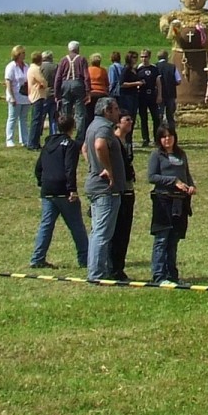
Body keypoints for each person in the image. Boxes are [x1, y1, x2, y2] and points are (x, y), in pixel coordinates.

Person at [30, 114, 88, 269]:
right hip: (63, 189)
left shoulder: (48, 143)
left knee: (46, 225)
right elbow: (70, 168)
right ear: (72, 127)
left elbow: (38, 167)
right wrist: (72, 190)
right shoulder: (70, 145)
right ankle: (85, 258)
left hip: (47, 189)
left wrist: (41, 181)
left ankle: (37, 258)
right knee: (76, 225)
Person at [158, 0, 208, 106]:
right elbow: (164, 19)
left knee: (200, 82)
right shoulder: (177, 15)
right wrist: (166, 26)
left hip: (201, 57)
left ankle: (203, 103)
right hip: (181, 56)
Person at [83, 97, 126, 282]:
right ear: (107, 111)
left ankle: (97, 271)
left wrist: (93, 167)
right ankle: (97, 274)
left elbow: (85, 148)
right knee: (102, 233)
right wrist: (107, 169)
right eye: (116, 109)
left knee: (96, 232)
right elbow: (99, 146)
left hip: (96, 186)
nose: (119, 112)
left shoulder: (92, 125)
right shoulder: (104, 128)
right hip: (105, 190)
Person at [147, 123, 197, 285]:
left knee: (174, 239)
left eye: (170, 136)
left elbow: (186, 174)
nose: (167, 139)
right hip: (163, 200)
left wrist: (191, 185)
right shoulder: (157, 155)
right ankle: (159, 275)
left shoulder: (181, 154)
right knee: (162, 238)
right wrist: (173, 181)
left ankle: (172, 275)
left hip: (180, 202)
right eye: (163, 136)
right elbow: (152, 177)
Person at [108, 111, 137, 280]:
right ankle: (112, 267)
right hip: (118, 190)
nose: (130, 122)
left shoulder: (128, 141)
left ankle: (120, 267)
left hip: (129, 189)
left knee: (125, 231)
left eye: (131, 119)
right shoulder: (113, 140)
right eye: (127, 120)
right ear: (118, 123)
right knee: (116, 231)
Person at [53, 42, 90, 141]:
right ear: (78, 49)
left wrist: (57, 93)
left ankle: (64, 135)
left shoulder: (63, 60)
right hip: (78, 84)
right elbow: (86, 76)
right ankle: (79, 138)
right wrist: (88, 91)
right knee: (80, 114)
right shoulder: (82, 59)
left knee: (65, 112)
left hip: (65, 84)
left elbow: (58, 77)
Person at [3, 44, 32, 149]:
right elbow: (8, 82)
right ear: (17, 54)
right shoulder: (11, 66)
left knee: (23, 119)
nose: (24, 55)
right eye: (22, 53)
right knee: (12, 118)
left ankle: (24, 139)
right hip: (15, 96)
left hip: (25, 96)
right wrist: (11, 96)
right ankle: (9, 139)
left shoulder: (26, 66)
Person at [132, 49, 160, 146]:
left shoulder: (154, 68)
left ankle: (156, 139)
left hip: (152, 95)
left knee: (156, 118)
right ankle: (145, 139)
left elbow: (158, 82)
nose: (144, 59)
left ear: (149, 57)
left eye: (146, 57)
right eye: (142, 57)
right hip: (141, 96)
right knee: (143, 118)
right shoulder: (137, 69)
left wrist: (159, 95)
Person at [26, 51, 50, 150]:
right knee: (36, 121)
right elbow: (43, 82)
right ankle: (32, 143)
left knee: (37, 120)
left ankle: (34, 142)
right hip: (37, 96)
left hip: (35, 95)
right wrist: (44, 84)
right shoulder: (35, 69)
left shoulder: (31, 68)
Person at [154, 50, 179, 132]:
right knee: (170, 115)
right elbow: (178, 80)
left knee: (159, 115)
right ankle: (171, 131)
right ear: (167, 57)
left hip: (158, 95)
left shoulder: (155, 67)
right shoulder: (172, 67)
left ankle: (160, 131)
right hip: (170, 94)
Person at [39, 51, 58, 136]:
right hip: (54, 94)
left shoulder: (41, 67)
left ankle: (38, 134)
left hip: (44, 94)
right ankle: (53, 135)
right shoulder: (56, 67)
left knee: (41, 116)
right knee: (53, 117)